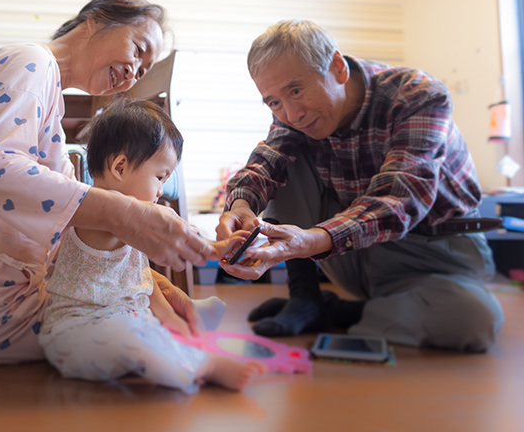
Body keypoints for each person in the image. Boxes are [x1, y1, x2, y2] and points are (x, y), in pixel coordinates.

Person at [0, 0, 216, 364]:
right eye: (137, 49)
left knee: (127, 304)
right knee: (119, 321)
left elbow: (70, 241)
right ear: (95, 20)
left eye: (143, 70)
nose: (134, 72)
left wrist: (152, 283)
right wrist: (124, 213)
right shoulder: (30, 62)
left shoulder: (47, 100)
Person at [216, 20, 504, 352]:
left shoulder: (418, 95)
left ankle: (338, 311)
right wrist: (240, 207)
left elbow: (400, 199)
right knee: (284, 159)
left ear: (337, 67)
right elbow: (267, 161)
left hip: (436, 251)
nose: (291, 114)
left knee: (475, 320)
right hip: (356, 253)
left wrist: (310, 240)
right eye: (273, 102)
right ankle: (305, 298)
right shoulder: (294, 116)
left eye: (296, 90)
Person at [40, 99, 266, 392]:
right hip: (75, 332)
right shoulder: (98, 218)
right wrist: (214, 247)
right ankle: (202, 365)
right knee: (132, 337)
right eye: (159, 177)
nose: (161, 190)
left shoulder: (131, 228)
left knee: (146, 330)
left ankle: (188, 329)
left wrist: (172, 318)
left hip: (125, 320)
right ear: (120, 167)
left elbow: (141, 281)